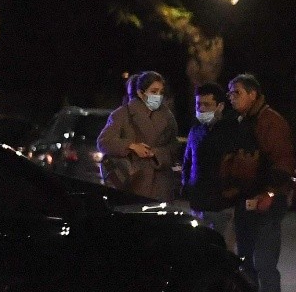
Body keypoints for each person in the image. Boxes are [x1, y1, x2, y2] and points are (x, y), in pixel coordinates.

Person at [228, 74, 293, 292]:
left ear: (253, 94)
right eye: (230, 94)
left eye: (237, 93)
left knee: (264, 262)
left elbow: (283, 162)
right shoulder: (243, 121)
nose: (232, 98)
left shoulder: (271, 122)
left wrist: (270, 193)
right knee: (246, 262)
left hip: (266, 201)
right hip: (245, 201)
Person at [96, 71, 179, 200]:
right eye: (154, 91)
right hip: (133, 183)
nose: (158, 96)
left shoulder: (167, 117)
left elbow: (174, 148)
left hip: (161, 187)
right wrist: (132, 146)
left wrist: (155, 153)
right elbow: (104, 141)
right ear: (141, 93)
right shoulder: (123, 114)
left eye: (161, 92)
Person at [181, 82, 244, 249]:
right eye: (198, 104)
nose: (201, 109)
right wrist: (187, 186)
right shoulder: (196, 130)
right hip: (199, 203)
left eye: (206, 104)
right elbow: (188, 161)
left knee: (222, 250)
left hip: (222, 205)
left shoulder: (232, 131)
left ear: (220, 106)